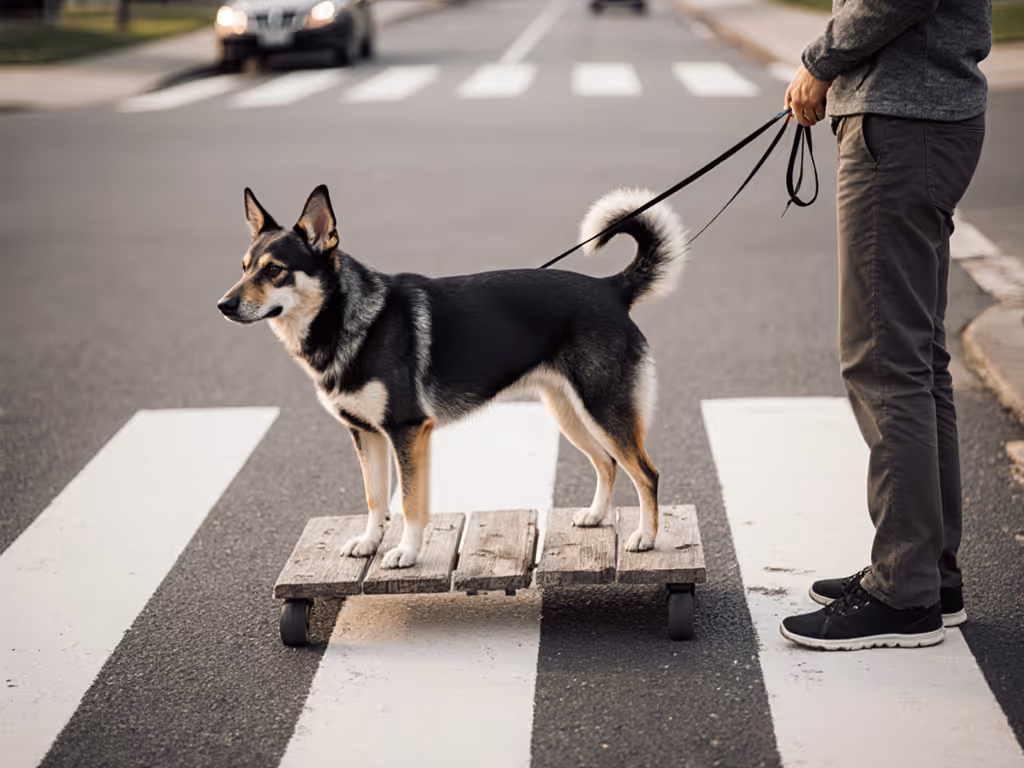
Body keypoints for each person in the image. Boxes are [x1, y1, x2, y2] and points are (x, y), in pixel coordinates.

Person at [779, 0, 991, 650]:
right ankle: (927, 569)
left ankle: (903, 591)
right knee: (917, 361)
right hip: (922, 117)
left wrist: (820, 61)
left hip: (903, 123)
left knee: (883, 360)